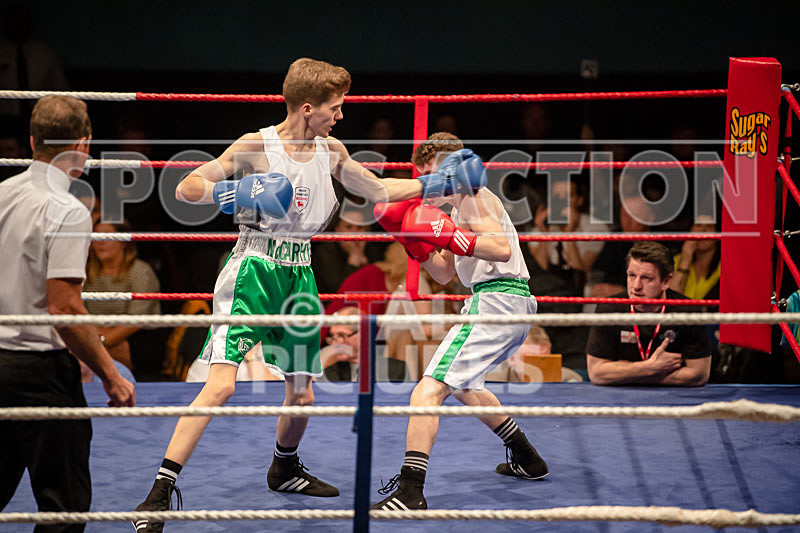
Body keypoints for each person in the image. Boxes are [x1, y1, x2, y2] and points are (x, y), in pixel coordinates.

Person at [132, 58, 486, 532]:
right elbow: (187, 185)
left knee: (302, 391)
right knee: (222, 385)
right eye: (334, 108)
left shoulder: (331, 148)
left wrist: (434, 183)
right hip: (253, 268)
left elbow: (377, 187)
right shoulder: (257, 145)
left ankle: (284, 467)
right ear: (306, 107)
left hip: (299, 270)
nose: (340, 116)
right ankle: (156, 496)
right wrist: (238, 194)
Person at [371, 132, 548, 512]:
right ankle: (527, 456)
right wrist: (412, 241)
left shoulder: (475, 196)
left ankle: (410, 491)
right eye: (420, 175)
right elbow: (445, 273)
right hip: (498, 302)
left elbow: (498, 249)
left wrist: (453, 237)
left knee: (427, 390)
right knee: (466, 385)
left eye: (429, 174)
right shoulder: (455, 211)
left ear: (452, 166)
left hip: (497, 302)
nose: (426, 184)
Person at [0, 95, 135, 533]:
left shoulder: (2, 195)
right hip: (40, 376)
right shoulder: (67, 209)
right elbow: (64, 306)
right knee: (65, 507)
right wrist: (110, 373)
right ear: (84, 144)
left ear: (33, 139)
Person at [585, 242, 711, 386]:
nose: (636, 286)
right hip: (619, 400)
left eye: (646, 278)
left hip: (673, 400)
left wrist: (625, 371)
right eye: (632, 275)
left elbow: (699, 375)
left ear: (666, 281)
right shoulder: (609, 309)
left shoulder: (688, 311)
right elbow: (596, 373)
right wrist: (649, 368)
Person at [83, 220, 161, 373]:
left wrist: (101, 342)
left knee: (121, 347)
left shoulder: (139, 271)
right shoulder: (87, 273)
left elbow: (136, 321)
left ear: (123, 242)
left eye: (107, 236)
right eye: (96, 236)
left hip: (138, 338)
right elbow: (80, 311)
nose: (100, 242)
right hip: (96, 334)